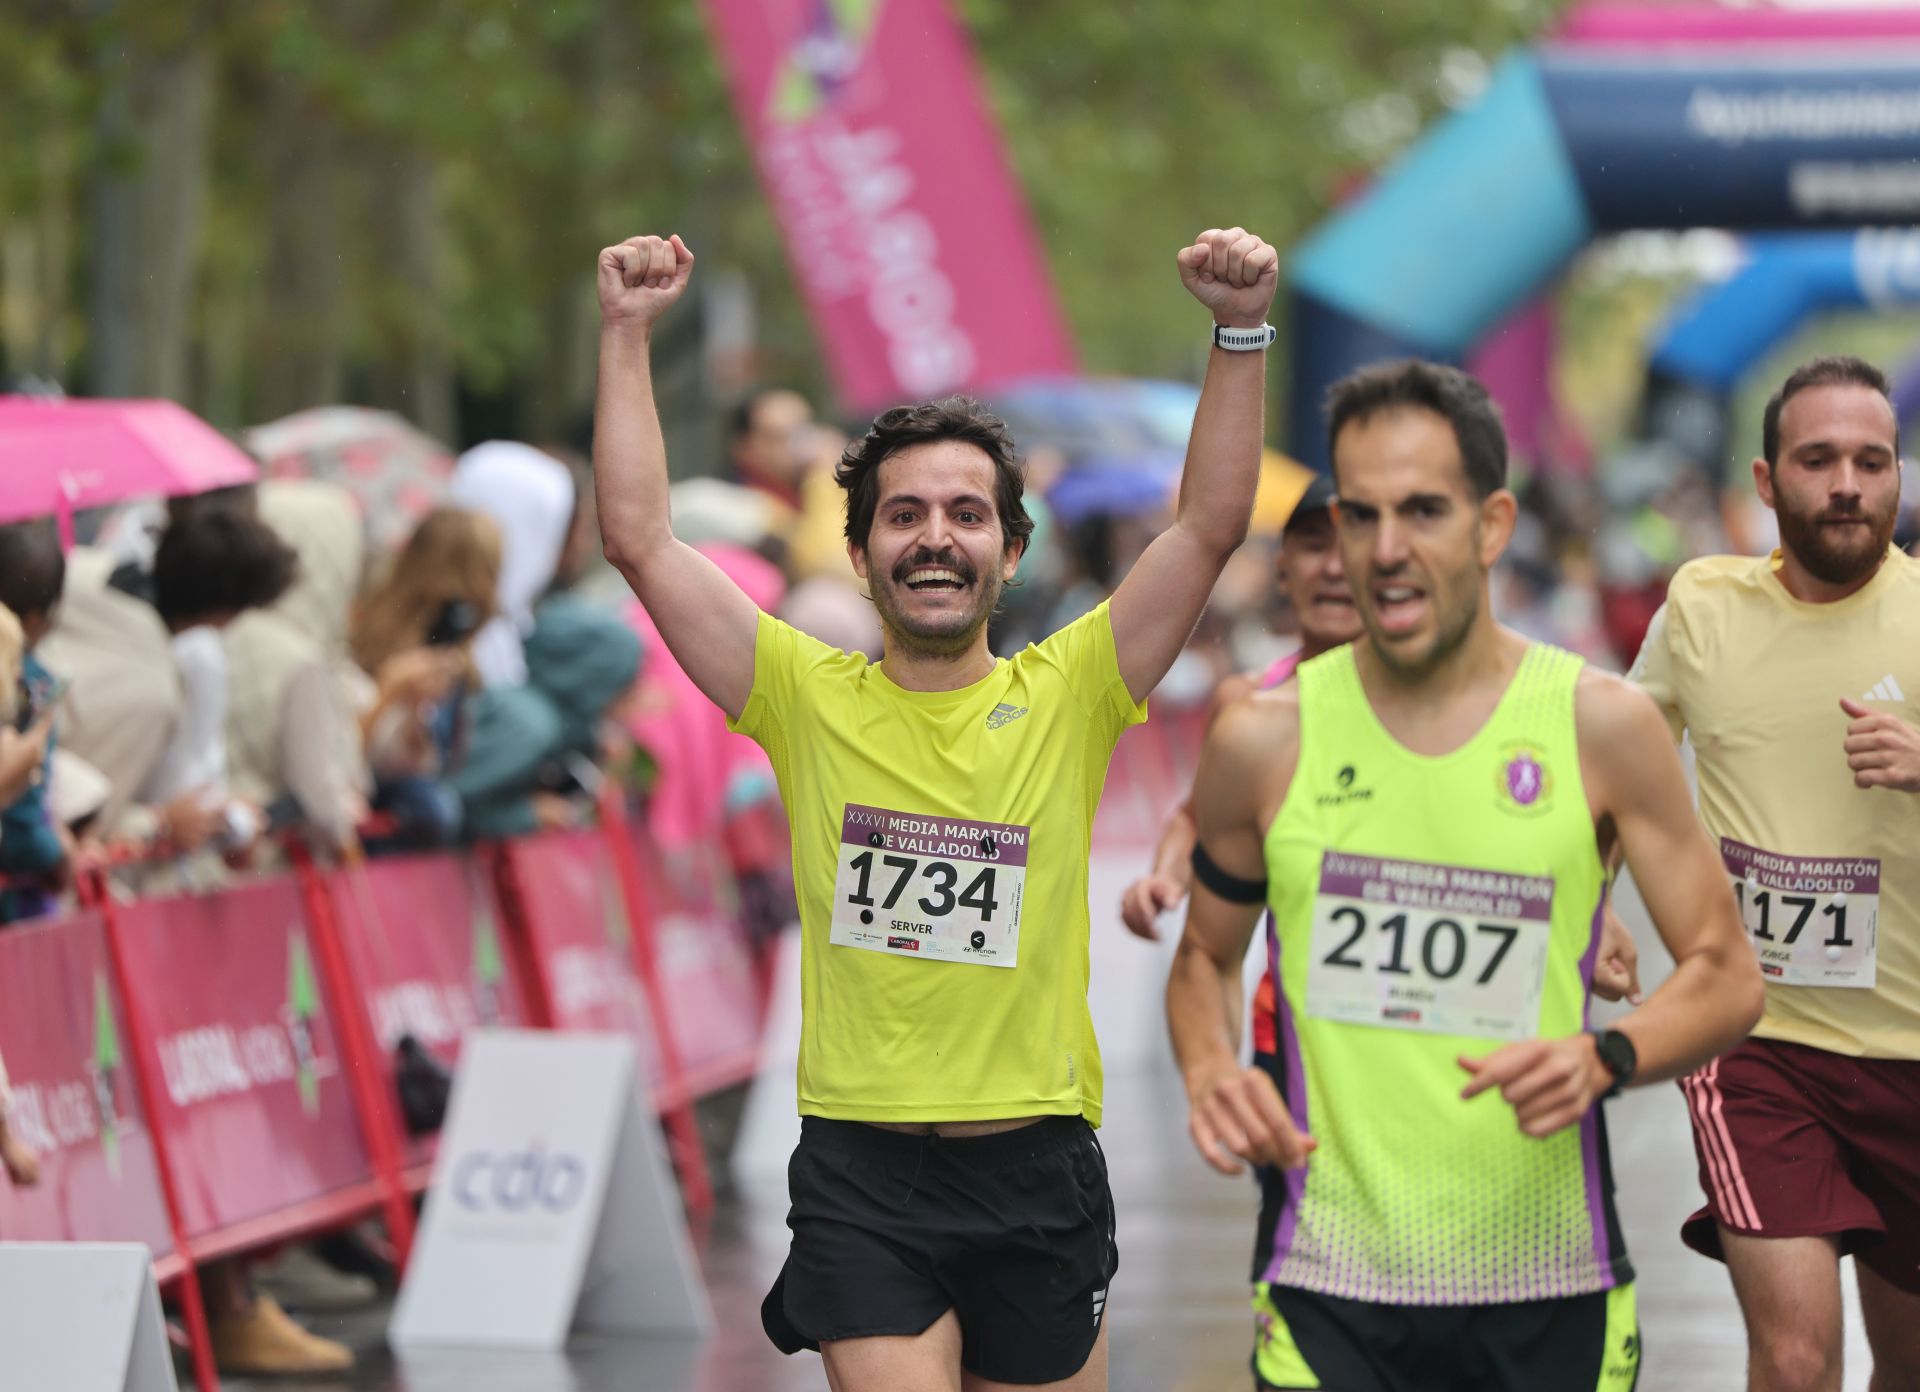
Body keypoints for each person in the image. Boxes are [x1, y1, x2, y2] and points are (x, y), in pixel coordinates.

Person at [595, 226, 1278, 1390]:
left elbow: (1208, 527)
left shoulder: (1074, 690)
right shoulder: (800, 694)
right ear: (862, 553)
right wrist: (625, 333)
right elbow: (641, 540)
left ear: (1010, 553)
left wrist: (1240, 332)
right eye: (903, 515)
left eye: (966, 515)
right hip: (864, 1178)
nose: (934, 538)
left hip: (1037, 1171)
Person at [1167, 359, 1764, 1392]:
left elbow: (1725, 973)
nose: (1386, 550)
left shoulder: (1599, 725)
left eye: (1423, 511)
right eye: (1360, 515)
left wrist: (1608, 1056)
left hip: (1547, 1285)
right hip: (1328, 1287)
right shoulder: (1263, 738)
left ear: (1492, 526)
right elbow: (1203, 959)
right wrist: (1213, 1068)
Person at [1627, 355, 1920, 1392]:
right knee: (1795, 1359)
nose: (1847, 485)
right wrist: (1591, 900)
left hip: (1911, 1046)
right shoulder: (1703, 607)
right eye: (1818, 460)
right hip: (1759, 1040)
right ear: (1765, 480)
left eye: (1871, 462)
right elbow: (1612, 766)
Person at [350, 506, 503, 850]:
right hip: (363, 799)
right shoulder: (365, 631)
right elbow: (345, 754)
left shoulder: (458, 661)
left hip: (389, 787)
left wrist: (420, 719)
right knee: (435, 807)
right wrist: (392, 689)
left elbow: (436, 760)